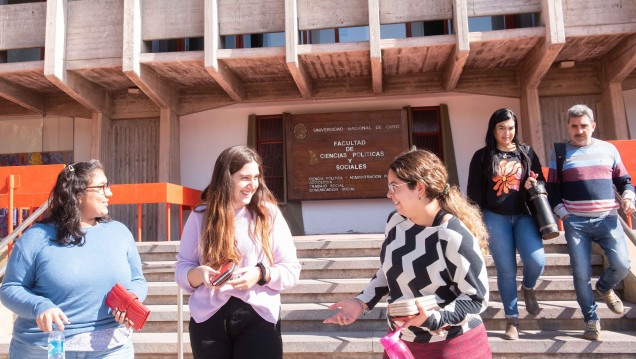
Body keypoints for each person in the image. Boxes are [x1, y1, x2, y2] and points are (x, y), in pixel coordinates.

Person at [324, 149, 492, 359]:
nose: (389, 194)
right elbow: (390, 270)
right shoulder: (395, 222)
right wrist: (361, 302)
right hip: (401, 343)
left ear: (419, 188)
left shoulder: (454, 235)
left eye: (395, 187)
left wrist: (433, 318)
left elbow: (476, 298)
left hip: (454, 347)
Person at [0, 160, 147, 358]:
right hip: (45, 348)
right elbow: (10, 288)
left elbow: (138, 280)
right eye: (102, 187)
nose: (109, 193)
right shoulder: (35, 237)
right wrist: (39, 306)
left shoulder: (120, 233)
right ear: (78, 195)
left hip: (112, 348)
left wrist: (132, 301)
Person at [175, 145, 301, 359]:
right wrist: (199, 275)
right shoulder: (199, 217)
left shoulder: (268, 214)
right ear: (226, 178)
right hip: (208, 318)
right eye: (244, 178)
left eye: (256, 177)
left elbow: (291, 270)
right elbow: (182, 269)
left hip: (259, 316)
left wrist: (260, 275)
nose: (252, 185)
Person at [546, 104, 634, 340]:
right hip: (576, 223)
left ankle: (604, 287)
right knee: (581, 274)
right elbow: (551, 188)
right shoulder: (560, 152)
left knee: (622, 264)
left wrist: (628, 197)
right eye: (574, 126)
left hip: (608, 219)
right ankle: (591, 319)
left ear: (593, 126)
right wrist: (563, 213)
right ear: (568, 127)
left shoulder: (609, 149)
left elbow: (624, 181)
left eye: (584, 126)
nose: (579, 130)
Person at [466, 108, 546, 340]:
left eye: (511, 128)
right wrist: (476, 223)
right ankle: (512, 319)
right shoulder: (482, 156)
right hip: (495, 217)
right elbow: (474, 193)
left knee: (536, 260)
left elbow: (540, 181)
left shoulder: (526, 153)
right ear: (493, 129)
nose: (507, 133)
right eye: (501, 128)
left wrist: (534, 183)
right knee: (506, 270)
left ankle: (528, 288)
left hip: (525, 215)